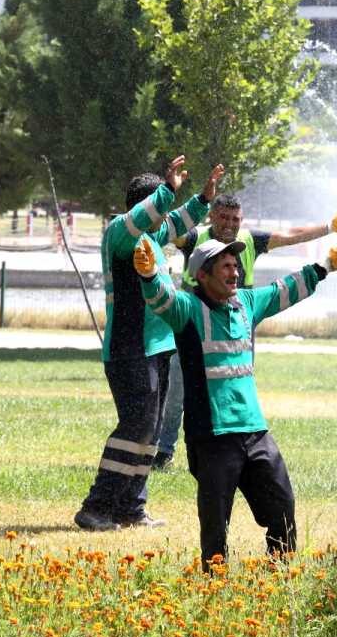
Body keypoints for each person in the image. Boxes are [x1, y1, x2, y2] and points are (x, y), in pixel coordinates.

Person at [134, 234, 337, 568]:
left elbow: (285, 290)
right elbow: (161, 300)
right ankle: (215, 585)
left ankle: (280, 575)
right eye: (225, 266)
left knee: (283, 507)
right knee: (215, 523)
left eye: (235, 265)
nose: (234, 271)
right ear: (203, 276)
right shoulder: (189, 310)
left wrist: (326, 265)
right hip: (212, 438)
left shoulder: (247, 304)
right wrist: (150, 275)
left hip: (256, 432)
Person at [151, 193, 337, 469]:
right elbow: (166, 230)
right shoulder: (195, 238)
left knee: (237, 386)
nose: (229, 224)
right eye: (223, 217)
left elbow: (290, 235)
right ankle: (164, 451)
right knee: (178, 392)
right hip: (194, 330)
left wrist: (329, 228)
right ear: (211, 216)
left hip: (237, 329)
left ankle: (237, 443)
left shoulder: (250, 241)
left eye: (235, 219)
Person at [73, 156, 224, 532]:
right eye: (157, 207)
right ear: (143, 206)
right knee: (135, 425)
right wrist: (168, 189)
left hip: (158, 348)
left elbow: (177, 222)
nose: (163, 218)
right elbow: (157, 214)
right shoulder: (119, 234)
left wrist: (203, 199)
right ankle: (97, 507)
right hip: (129, 349)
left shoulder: (151, 235)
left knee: (150, 432)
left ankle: (130, 508)